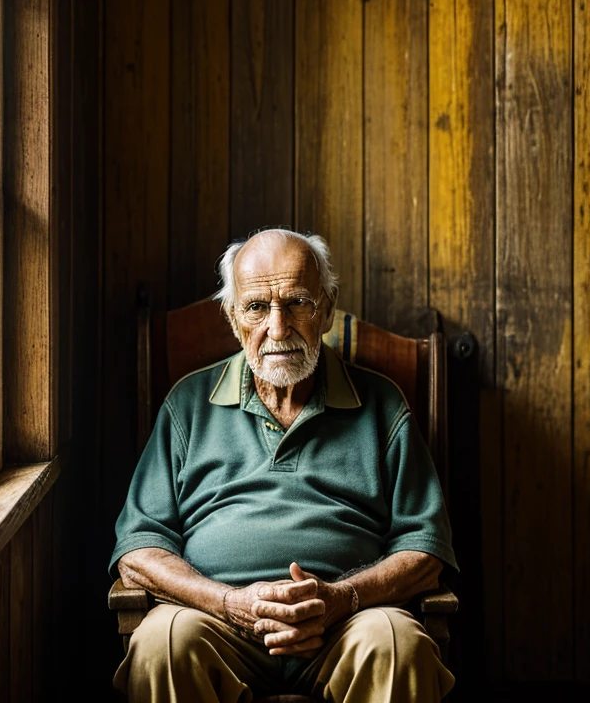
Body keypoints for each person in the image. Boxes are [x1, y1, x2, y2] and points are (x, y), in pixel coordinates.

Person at [110, 228, 457, 702]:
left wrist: (342, 599)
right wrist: (228, 603)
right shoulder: (187, 404)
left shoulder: (382, 405)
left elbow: (425, 550)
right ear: (234, 319)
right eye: (256, 307)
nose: (278, 328)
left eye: (297, 303)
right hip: (217, 626)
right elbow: (138, 549)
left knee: (396, 643)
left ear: (327, 308)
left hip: (347, 627)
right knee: (162, 642)